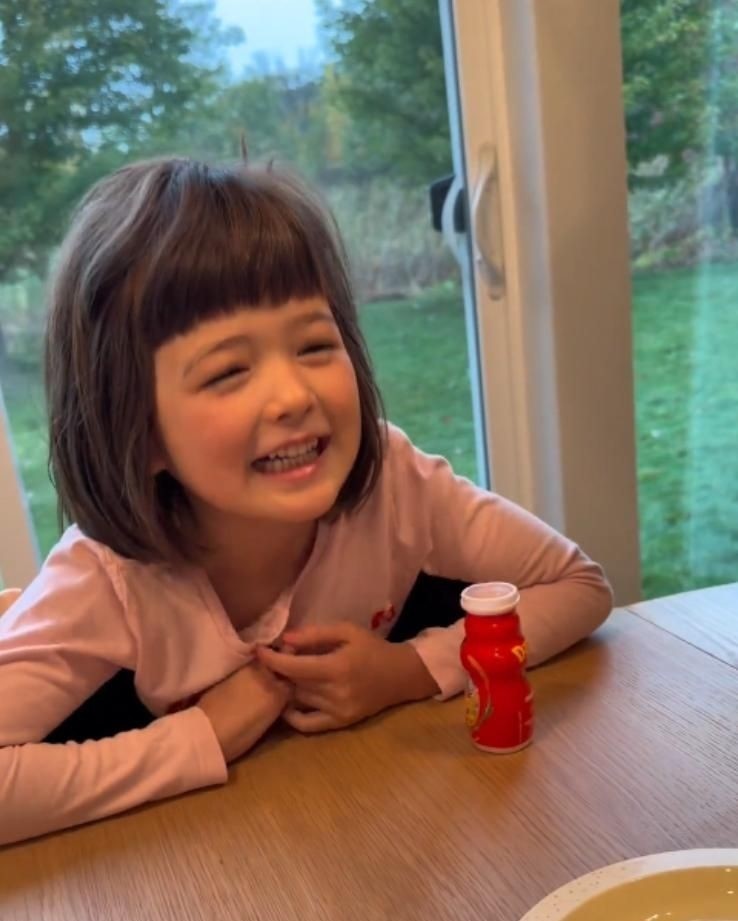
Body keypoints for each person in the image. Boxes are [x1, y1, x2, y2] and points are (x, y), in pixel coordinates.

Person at [0, 156, 613, 847]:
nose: (294, 396)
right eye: (229, 371)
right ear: (137, 433)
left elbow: (578, 585)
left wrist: (408, 671)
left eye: (315, 344)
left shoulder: (395, 483)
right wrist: (204, 735)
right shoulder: (105, 576)